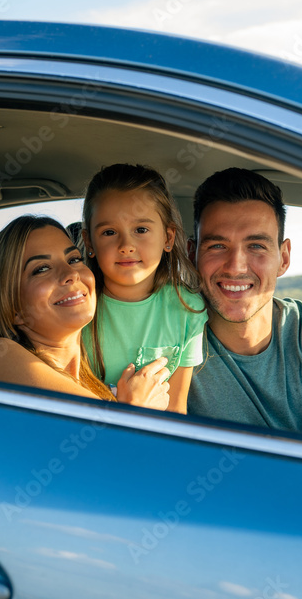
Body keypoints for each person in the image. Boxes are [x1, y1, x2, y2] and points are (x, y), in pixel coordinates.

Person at [187, 168, 302, 443]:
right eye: (217, 246)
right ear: (192, 256)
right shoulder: (168, 335)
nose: (236, 266)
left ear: (283, 258)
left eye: (256, 246)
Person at [0, 214, 171, 410]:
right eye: (42, 268)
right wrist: (137, 408)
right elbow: (108, 437)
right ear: (12, 307)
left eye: (74, 259)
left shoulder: (103, 383)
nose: (71, 274)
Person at [80, 164, 207, 414]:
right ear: (89, 242)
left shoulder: (187, 309)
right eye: (109, 232)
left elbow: (176, 410)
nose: (126, 245)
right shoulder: (79, 307)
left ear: (168, 238)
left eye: (141, 230)